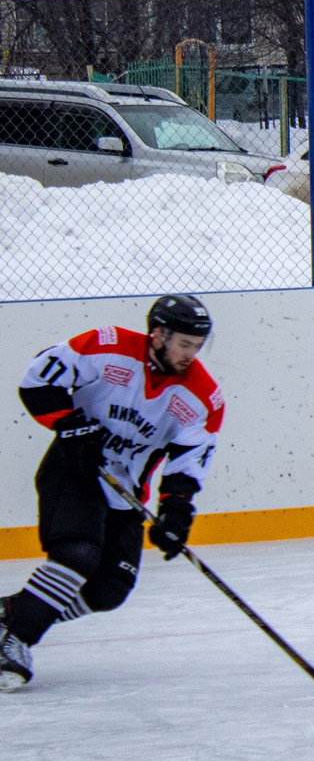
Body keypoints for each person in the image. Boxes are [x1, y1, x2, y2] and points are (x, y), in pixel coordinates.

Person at [2, 294, 223, 692]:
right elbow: (37, 381)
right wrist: (71, 426)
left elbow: (188, 462)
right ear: (158, 334)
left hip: (124, 491)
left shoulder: (202, 397)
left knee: (108, 590)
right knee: (77, 554)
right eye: (185, 344)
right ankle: (16, 642)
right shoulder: (107, 346)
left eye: (197, 346)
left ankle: (13, 613)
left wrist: (175, 512)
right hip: (74, 472)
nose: (192, 354)